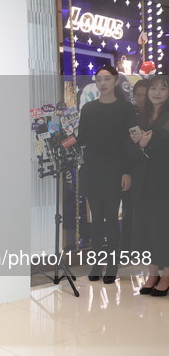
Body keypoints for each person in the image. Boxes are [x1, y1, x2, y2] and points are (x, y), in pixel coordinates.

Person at [77, 66, 133, 284]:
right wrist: (63, 135)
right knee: (96, 220)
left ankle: (113, 264)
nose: (102, 83)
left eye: (107, 79)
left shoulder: (126, 109)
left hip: (115, 169)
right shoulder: (89, 108)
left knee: (111, 218)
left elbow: (129, 143)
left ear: (116, 81)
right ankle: (97, 263)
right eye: (99, 79)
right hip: (92, 168)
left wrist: (127, 171)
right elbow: (82, 138)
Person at [129, 75, 169, 296]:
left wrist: (147, 144)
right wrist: (140, 147)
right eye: (153, 88)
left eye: (163, 89)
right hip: (142, 180)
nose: (156, 92)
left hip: (163, 180)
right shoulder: (140, 117)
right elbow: (128, 149)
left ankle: (166, 276)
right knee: (146, 228)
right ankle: (152, 273)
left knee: (163, 227)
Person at [121, 79, 151, 252]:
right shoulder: (132, 118)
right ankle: (130, 249)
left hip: (156, 172)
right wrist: (126, 171)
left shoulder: (161, 117)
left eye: (144, 94)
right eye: (138, 95)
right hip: (135, 172)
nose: (141, 99)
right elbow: (125, 148)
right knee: (131, 211)